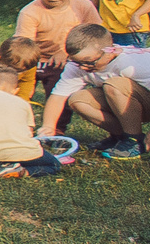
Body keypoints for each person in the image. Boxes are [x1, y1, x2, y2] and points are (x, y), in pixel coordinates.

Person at [38, 23, 149, 158]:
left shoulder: (133, 63)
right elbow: (58, 97)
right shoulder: (77, 67)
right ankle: (120, 137)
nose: (83, 68)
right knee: (78, 100)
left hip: (143, 100)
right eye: (78, 63)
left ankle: (134, 139)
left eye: (89, 62)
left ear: (110, 51)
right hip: (128, 105)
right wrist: (48, 127)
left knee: (114, 85)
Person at [13, 0, 100, 98]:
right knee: (19, 94)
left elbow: (96, 35)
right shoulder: (30, 12)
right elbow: (24, 45)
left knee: (61, 96)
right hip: (35, 59)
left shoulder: (84, 6)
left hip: (68, 59)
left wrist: (67, 53)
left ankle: (59, 118)